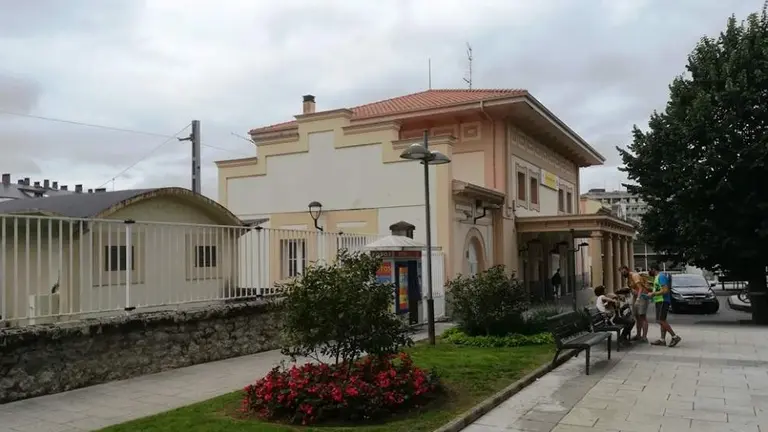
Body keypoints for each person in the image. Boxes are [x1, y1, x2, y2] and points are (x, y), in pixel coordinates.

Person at [648, 264, 681, 347]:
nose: (649, 271)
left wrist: (653, 294)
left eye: (650, 269)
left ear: (653, 269)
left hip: (663, 301)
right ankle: (662, 340)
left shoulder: (661, 276)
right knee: (662, 321)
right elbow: (659, 288)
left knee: (661, 320)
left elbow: (665, 290)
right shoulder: (657, 277)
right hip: (659, 301)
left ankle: (675, 336)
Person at [620, 265, 649, 343]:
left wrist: (638, 299)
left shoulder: (634, 275)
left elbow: (640, 288)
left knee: (642, 316)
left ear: (627, 270)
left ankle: (644, 337)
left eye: (624, 272)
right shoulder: (628, 278)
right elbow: (632, 288)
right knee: (636, 316)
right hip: (635, 297)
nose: (623, 274)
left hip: (642, 296)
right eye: (622, 273)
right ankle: (638, 335)